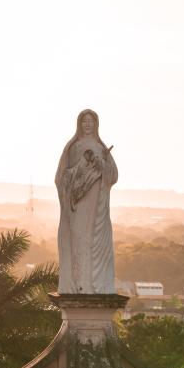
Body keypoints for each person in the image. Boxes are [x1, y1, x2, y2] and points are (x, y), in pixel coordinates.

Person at [55, 109, 117, 294]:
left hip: (97, 204)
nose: (88, 124)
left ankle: (95, 284)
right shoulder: (73, 147)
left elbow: (112, 175)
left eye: (91, 121)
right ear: (79, 124)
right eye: (84, 121)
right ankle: (79, 283)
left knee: (93, 240)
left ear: (96, 124)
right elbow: (62, 177)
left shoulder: (101, 146)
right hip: (78, 204)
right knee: (78, 238)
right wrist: (83, 167)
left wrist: (102, 165)